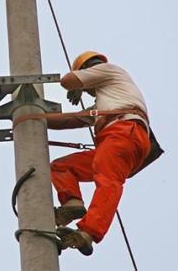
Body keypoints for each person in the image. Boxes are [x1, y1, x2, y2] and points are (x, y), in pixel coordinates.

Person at [48, 51, 151, 256]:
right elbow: (71, 120)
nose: (87, 93)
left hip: (124, 131)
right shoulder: (107, 101)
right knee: (62, 167)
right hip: (118, 137)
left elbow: (68, 81)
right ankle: (72, 204)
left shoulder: (110, 70)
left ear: (90, 69)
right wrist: (29, 117)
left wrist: (79, 83)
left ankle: (89, 231)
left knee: (108, 180)